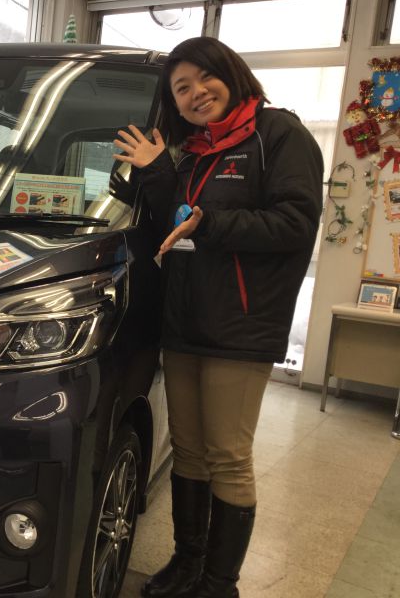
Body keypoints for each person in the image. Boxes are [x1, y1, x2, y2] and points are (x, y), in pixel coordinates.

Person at [113, 37, 322, 598]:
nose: (196, 93)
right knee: (188, 449)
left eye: (204, 78)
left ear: (231, 74)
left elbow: (296, 223)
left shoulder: (278, 134)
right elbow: (176, 219)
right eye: (182, 88)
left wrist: (210, 224)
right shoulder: (193, 151)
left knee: (227, 456)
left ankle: (218, 584)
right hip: (185, 321)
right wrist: (156, 173)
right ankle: (188, 564)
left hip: (241, 326)